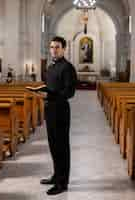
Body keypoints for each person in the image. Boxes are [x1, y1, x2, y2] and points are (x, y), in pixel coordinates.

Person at [40, 36, 77, 195]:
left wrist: (51, 96)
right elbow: (49, 88)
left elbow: (70, 92)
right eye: (52, 47)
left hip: (61, 111)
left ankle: (63, 183)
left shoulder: (68, 68)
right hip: (50, 110)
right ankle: (56, 176)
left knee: (62, 147)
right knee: (53, 145)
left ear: (63, 49)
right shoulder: (50, 67)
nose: (53, 50)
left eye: (57, 47)